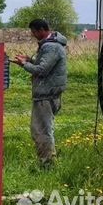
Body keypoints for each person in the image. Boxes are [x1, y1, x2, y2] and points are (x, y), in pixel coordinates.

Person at [13, 19, 68, 167]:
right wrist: (29, 60)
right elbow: (43, 64)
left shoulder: (51, 47)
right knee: (44, 128)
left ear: (42, 30)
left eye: (34, 32)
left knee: (41, 130)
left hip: (46, 94)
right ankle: (48, 160)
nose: (33, 35)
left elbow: (42, 70)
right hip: (49, 93)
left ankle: (47, 163)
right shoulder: (52, 45)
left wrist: (25, 64)